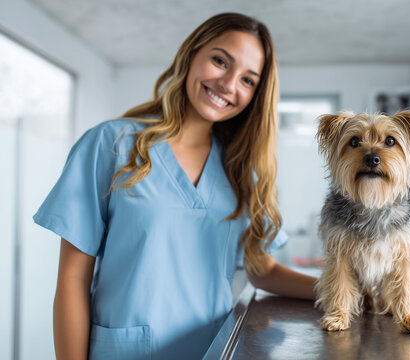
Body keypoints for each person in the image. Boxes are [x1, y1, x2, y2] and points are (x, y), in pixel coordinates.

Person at [33, 12, 317, 360]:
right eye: (219, 61)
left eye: (247, 80)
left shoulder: (242, 172)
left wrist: (351, 292)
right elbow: (73, 279)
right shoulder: (111, 145)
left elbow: (265, 271)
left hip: (212, 351)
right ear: (191, 54)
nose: (228, 84)